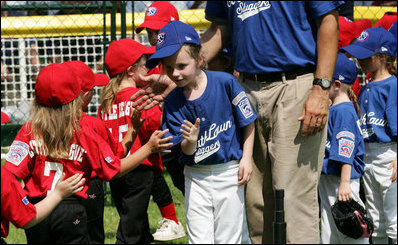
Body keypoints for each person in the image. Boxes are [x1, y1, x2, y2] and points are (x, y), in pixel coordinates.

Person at [131, 2, 343, 244]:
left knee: (292, 198)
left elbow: (328, 19)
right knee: (255, 200)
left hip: (295, 83)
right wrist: (183, 73)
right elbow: (221, 27)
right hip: (247, 87)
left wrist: (321, 88)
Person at [3, 62, 172, 244]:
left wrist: (24, 202)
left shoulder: (29, 130)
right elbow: (114, 169)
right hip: (70, 206)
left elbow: (12, 173)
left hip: (37, 209)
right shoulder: (84, 127)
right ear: (78, 96)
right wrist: (148, 148)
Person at [145, 20, 257, 244]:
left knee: (230, 237)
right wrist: (191, 141)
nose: (175, 73)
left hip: (229, 172)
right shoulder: (173, 101)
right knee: (200, 238)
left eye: (181, 65)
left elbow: (248, 122)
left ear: (199, 59)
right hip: (196, 176)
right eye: (168, 68)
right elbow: (184, 150)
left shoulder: (225, 83)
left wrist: (247, 157)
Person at [98, 38, 184, 244]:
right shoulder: (140, 97)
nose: (150, 68)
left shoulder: (106, 104)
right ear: (130, 71)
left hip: (118, 170)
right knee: (131, 231)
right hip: (140, 170)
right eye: (146, 64)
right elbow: (156, 125)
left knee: (138, 225)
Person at [135, 2, 187, 241]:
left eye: (159, 30)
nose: (153, 36)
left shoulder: (190, 56)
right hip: (169, 134)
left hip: (193, 133)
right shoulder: (153, 60)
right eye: (150, 31)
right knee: (180, 180)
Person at [341, 27, 397, 244]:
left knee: (393, 217)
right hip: (369, 157)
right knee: (375, 218)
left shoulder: (392, 86)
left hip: (389, 156)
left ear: (382, 56)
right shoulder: (367, 86)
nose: (359, 59)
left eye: (366, 55)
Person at [318, 53, 367, 244]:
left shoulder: (344, 111)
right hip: (330, 180)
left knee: (350, 232)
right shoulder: (335, 108)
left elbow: (347, 149)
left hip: (342, 181)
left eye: (324, 81)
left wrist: (345, 182)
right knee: (330, 234)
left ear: (336, 85)